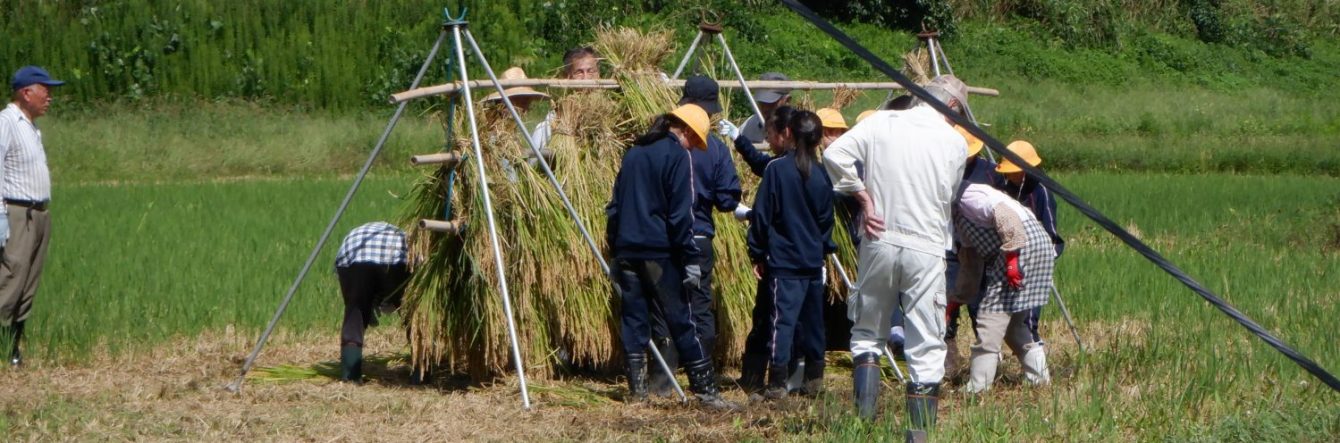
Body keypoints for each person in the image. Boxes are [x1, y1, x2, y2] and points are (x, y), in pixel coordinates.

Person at [822, 75, 970, 438]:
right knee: (925, 342)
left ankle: (863, 424)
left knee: (868, 332)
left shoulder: (881, 121)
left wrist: (861, 195)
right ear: (950, 106)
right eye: (959, 114)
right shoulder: (954, 142)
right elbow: (950, 194)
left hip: (879, 237)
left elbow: (832, 153)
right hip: (927, 246)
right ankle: (918, 434)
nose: (958, 121)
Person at [606, 103, 735, 410]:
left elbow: (615, 206)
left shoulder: (634, 153)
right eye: (696, 142)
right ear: (686, 130)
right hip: (659, 252)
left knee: (634, 319)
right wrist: (690, 257)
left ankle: (637, 393)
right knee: (683, 319)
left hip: (627, 250)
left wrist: (615, 250)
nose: (694, 149)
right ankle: (707, 393)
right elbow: (681, 216)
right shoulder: (676, 156)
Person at [647, 75, 742, 396]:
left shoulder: (654, 145)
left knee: (663, 307)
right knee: (699, 306)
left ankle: (662, 383)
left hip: (659, 239)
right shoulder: (713, 148)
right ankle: (703, 380)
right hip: (698, 237)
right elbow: (729, 199)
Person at [746, 110, 835, 399]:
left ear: (790, 134)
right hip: (812, 261)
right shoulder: (821, 174)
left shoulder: (777, 170)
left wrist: (757, 252)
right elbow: (826, 220)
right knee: (813, 323)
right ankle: (814, 381)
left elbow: (762, 215)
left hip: (783, 262)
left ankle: (776, 384)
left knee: (781, 322)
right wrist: (821, 249)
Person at [952, 183, 1054, 393]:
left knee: (990, 318)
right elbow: (971, 265)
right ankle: (1039, 380)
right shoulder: (959, 216)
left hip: (1020, 247)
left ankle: (979, 387)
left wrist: (1012, 262)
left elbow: (1006, 216)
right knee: (1014, 326)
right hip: (1030, 245)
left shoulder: (968, 196)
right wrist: (956, 300)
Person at [0, 66, 64, 367]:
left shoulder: (31, 128)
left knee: (29, 282)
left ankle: (14, 350)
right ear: (26, 93)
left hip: (38, 214)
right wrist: (1, 216)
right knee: (10, 277)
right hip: (17, 214)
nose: (49, 96)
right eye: (45, 90)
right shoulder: (6, 123)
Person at [995, 140, 1064, 365]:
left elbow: (1052, 235)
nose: (1011, 176)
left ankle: (1038, 373)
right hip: (1008, 262)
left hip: (1036, 261)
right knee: (1002, 318)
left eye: (1015, 172)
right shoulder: (1003, 189)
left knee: (1029, 320)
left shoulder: (1041, 192)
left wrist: (1040, 260)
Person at [942, 125, 1004, 376]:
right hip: (951, 246)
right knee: (949, 297)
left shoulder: (989, 172)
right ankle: (948, 353)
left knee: (981, 303)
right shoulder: (944, 169)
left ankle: (989, 357)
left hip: (983, 250)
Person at [334, 222, 410, 383]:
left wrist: (358, 300)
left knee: (355, 312)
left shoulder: (354, 237)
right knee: (412, 314)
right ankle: (421, 374)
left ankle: (350, 375)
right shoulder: (403, 238)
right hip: (395, 256)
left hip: (353, 253)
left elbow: (344, 275)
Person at [532, 47, 602, 151]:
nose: (586, 78)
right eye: (579, 72)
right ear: (566, 77)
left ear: (599, 74)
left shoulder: (611, 115)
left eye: (591, 71)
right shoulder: (550, 125)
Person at [738, 72, 791, 143]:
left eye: (771, 102)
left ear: (787, 100)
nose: (765, 108)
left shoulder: (799, 128)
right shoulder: (748, 127)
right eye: (762, 102)